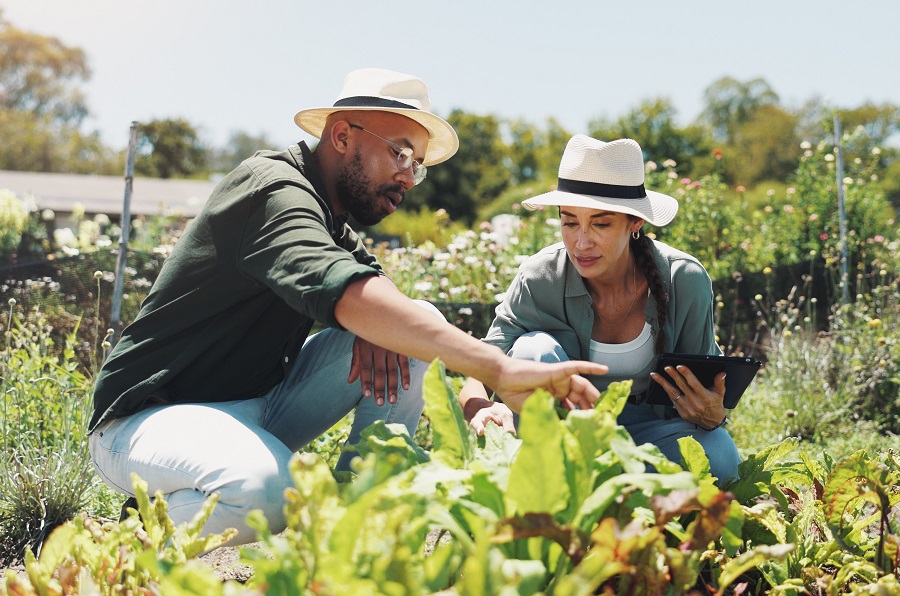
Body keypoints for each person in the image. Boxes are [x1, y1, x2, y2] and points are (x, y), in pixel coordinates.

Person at [88, 68, 606, 547]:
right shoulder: (272, 190)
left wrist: (443, 377)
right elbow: (342, 288)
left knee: (414, 321)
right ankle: (119, 544)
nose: (408, 176)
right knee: (268, 494)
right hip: (148, 417)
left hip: (258, 407)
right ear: (342, 137)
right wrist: (498, 367)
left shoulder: (332, 220)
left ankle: (363, 503)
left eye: (417, 166)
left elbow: (382, 299)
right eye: (401, 153)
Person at [458, 134, 741, 483]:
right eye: (569, 222)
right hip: (561, 429)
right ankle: (572, 480)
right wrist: (482, 409)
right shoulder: (541, 277)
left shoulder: (684, 278)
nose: (581, 242)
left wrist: (714, 413)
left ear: (635, 223)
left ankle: (586, 482)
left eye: (601, 223)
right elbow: (478, 373)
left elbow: (707, 386)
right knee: (534, 350)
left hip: (649, 430)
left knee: (722, 463)